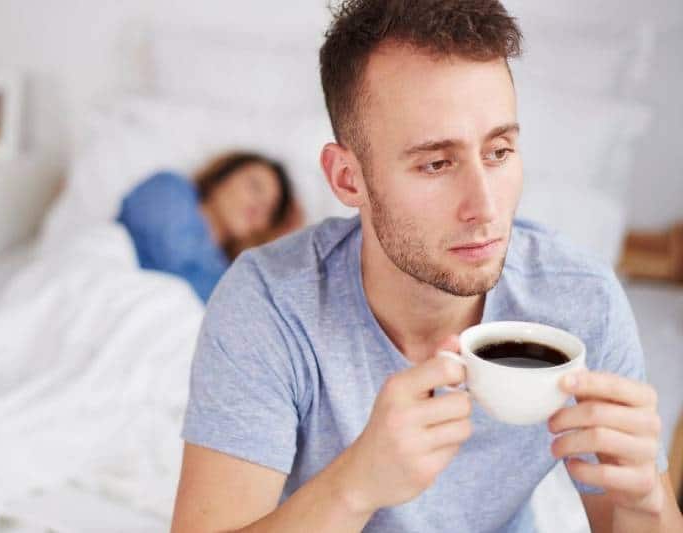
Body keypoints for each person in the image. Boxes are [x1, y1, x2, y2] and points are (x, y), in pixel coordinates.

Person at [172, 1, 683, 532]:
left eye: (499, 152)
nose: (484, 208)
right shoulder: (268, 304)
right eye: (436, 164)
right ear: (349, 179)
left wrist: (645, 498)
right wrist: (356, 484)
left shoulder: (583, 301)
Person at [116, 151, 298, 302]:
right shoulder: (169, 188)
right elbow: (170, 256)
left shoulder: (232, 277)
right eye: (255, 187)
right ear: (223, 176)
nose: (259, 206)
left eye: (269, 210)